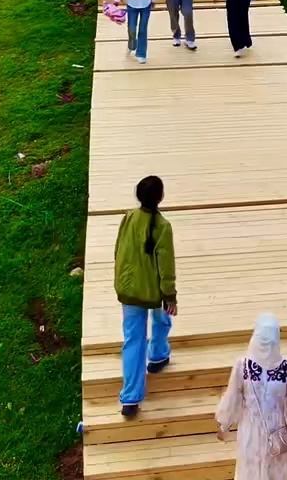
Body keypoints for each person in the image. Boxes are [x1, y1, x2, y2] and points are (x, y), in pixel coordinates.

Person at [216, 313, 287, 480]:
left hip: (251, 433)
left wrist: (224, 425)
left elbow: (232, 399)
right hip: (278, 433)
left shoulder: (242, 366)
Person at [114, 175, 176, 418]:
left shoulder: (128, 217)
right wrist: (170, 296)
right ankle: (158, 355)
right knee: (162, 320)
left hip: (128, 290)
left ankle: (130, 398)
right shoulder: (162, 227)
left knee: (133, 340)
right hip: (154, 291)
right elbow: (166, 266)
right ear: (161, 197)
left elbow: (119, 250)